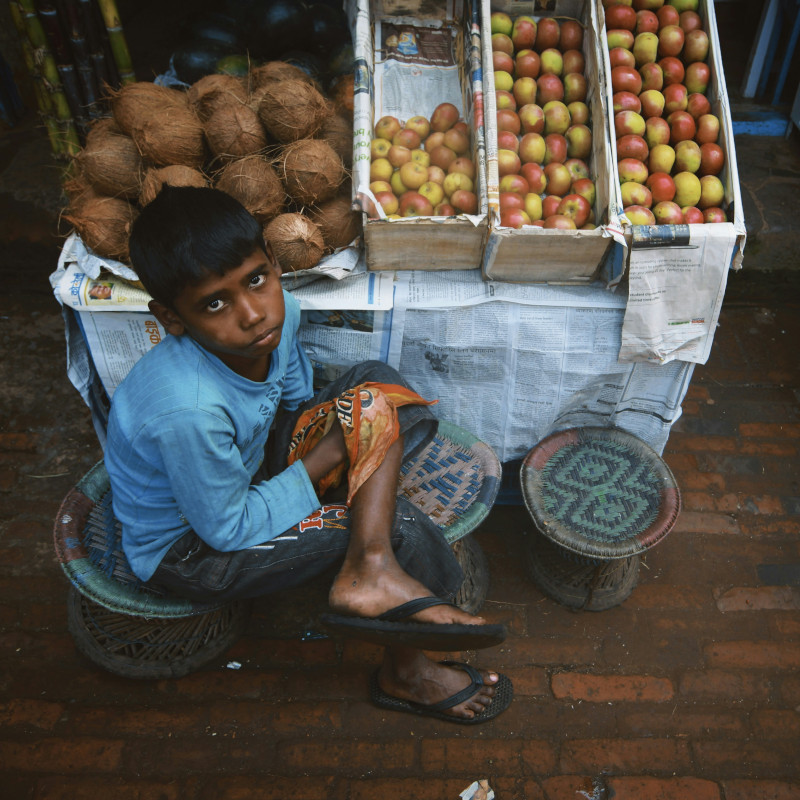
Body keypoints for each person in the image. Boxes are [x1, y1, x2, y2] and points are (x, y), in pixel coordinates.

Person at [104, 186, 512, 723]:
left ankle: (371, 566)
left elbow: (293, 401)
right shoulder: (188, 411)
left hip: (251, 470)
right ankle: (405, 670)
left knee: (376, 385)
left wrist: (332, 434)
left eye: (255, 280)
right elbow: (225, 529)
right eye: (214, 303)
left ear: (273, 265)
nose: (252, 314)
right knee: (396, 524)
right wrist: (328, 456)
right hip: (191, 549)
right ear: (172, 317)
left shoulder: (282, 313)